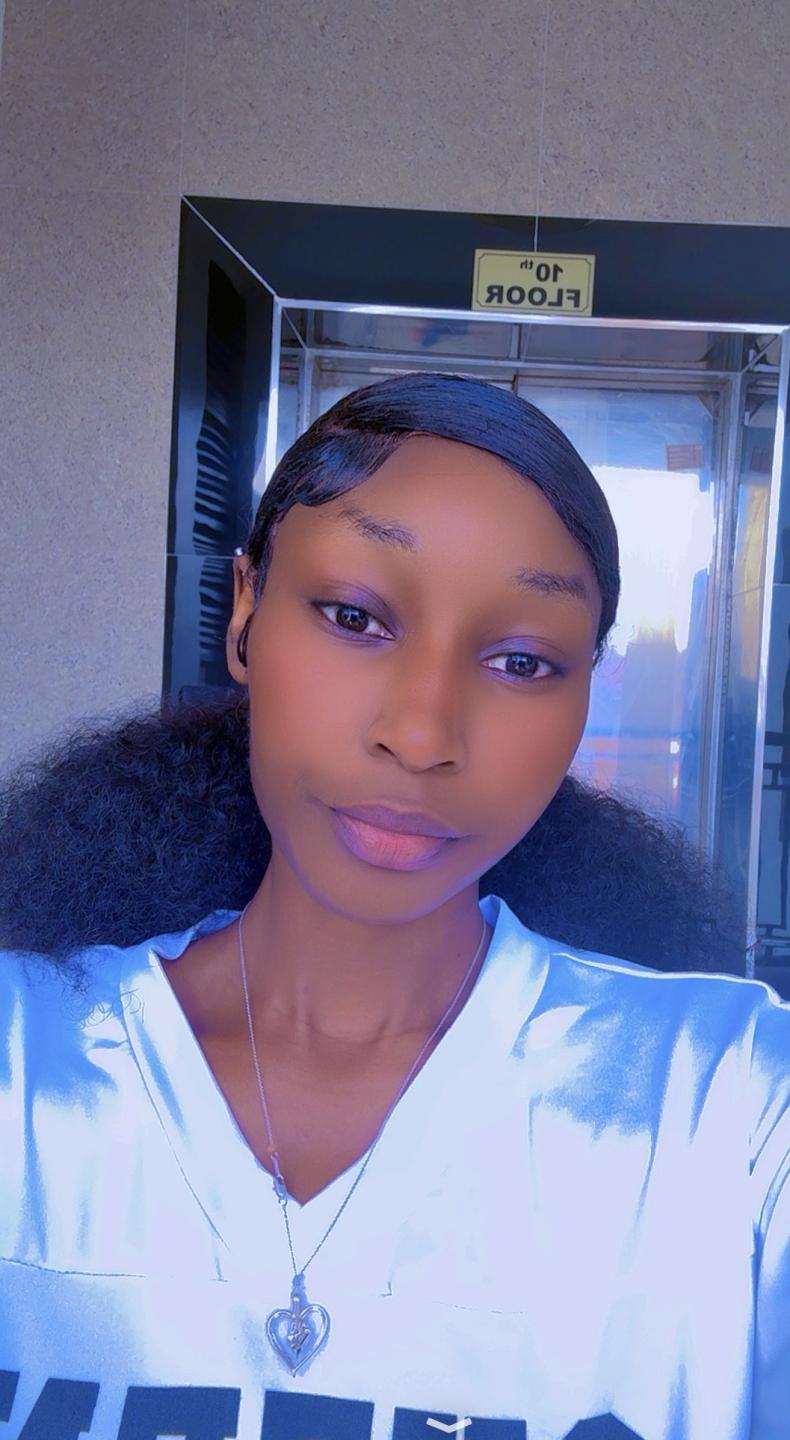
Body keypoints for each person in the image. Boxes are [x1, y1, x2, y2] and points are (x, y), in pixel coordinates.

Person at [0, 371, 786, 1440]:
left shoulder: (734, 1111)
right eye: (354, 617)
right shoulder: (24, 1068)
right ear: (245, 612)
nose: (421, 736)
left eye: (522, 660)